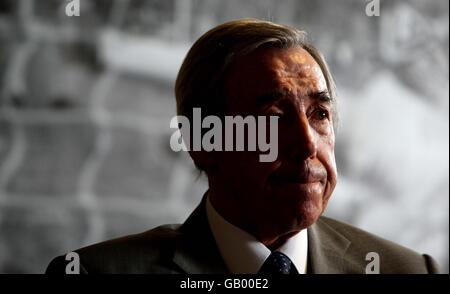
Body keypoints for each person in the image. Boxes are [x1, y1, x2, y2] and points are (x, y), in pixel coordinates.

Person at [46, 18, 440, 274]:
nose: (306, 143)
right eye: (272, 117)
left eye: (321, 114)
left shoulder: (409, 270)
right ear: (202, 141)